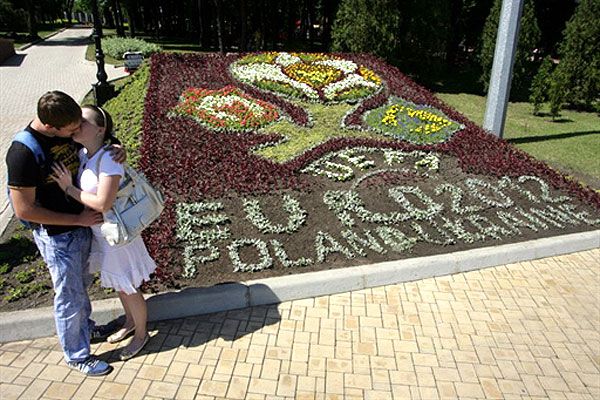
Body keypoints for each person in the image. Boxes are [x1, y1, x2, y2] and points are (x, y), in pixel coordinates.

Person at [6, 91, 125, 376]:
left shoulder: (63, 126)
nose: (75, 133)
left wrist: (116, 146)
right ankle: (77, 354)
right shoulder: (23, 153)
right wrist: (77, 219)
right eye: (71, 130)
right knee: (69, 296)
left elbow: (94, 140)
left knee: (79, 288)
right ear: (50, 126)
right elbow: (24, 210)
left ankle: (85, 329)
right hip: (58, 237)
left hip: (81, 226)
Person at [51, 105, 156, 361]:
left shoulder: (109, 159)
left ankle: (141, 334)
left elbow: (103, 203)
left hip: (118, 236)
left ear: (100, 129)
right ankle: (130, 322)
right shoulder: (85, 153)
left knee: (128, 287)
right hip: (104, 234)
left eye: (83, 121)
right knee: (121, 285)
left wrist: (69, 188)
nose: (77, 124)